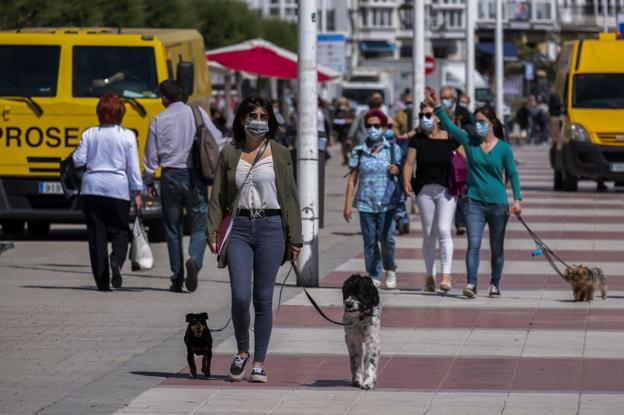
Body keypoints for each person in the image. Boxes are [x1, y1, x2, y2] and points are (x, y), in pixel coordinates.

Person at [206, 95, 302, 383]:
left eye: (263, 116)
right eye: (252, 115)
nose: (257, 121)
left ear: (270, 121)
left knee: (262, 298)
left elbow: (290, 196)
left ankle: (259, 361)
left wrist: (294, 238)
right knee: (239, 296)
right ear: (241, 120)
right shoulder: (229, 153)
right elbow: (218, 195)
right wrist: (211, 231)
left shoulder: (281, 153)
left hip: (272, 226)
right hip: (239, 227)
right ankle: (242, 351)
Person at [425, 86, 522, 299]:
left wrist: (517, 199)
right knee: (474, 244)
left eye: (481, 122)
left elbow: (513, 174)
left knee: (497, 248)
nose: (477, 125)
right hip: (473, 202)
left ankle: (495, 284)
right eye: (476, 121)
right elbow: (450, 125)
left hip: (498, 204)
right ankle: (471, 283)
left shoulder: (504, 148)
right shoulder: (470, 142)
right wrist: (436, 106)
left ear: (492, 124)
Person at [143, 80, 224, 293]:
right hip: (194, 176)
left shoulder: (158, 119)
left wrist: (149, 181)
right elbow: (217, 139)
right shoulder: (197, 114)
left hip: (169, 175)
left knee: (172, 228)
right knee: (200, 223)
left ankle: (177, 278)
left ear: (164, 98)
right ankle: (195, 261)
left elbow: (151, 157)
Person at [73, 93, 143, 291]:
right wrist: (137, 192)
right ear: (121, 113)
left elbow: (79, 160)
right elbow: (133, 168)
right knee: (120, 231)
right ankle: (117, 262)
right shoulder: (128, 136)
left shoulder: (89, 134)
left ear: (99, 113)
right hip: (117, 189)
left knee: (97, 234)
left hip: (91, 188)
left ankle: (102, 281)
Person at [402, 102, 462, 293]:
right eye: (421, 115)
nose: (424, 118)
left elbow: (466, 159)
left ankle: (446, 275)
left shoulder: (451, 138)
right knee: (429, 234)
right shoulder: (417, 140)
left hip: (447, 191)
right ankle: (430, 276)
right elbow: (409, 164)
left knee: (444, 229)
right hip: (424, 191)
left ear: (437, 117)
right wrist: (406, 182)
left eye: (428, 114)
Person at [343, 109, 402, 289]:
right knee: (369, 241)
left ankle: (390, 268)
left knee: (386, 239)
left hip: (387, 202)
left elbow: (401, 171)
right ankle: (374, 274)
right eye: (369, 125)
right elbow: (352, 179)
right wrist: (347, 205)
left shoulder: (393, 148)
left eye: (377, 125)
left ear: (384, 128)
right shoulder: (358, 151)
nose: (373, 128)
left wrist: (396, 170)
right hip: (365, 203)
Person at [440, 85, 473, 236]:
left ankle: (460, 223)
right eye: (442, 98)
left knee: (460, 188)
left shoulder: (463, 111)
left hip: (459, 153)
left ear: (453, 98)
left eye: (446, 98)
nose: (444, 100)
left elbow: (472, 128)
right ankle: (445, 221)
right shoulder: (439, 112)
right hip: (443, 154)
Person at [333, 96, 355, 165]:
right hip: (341, 131)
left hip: (349, 130)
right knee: (343, 147)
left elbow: (354, 120)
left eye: (342, 103)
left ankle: (348, 158)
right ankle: (345, 158)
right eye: (340, 104)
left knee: (348, 147)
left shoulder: (351, 110)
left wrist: (348, 121)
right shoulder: (337, 110)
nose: (341, 105)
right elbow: (334, 118)